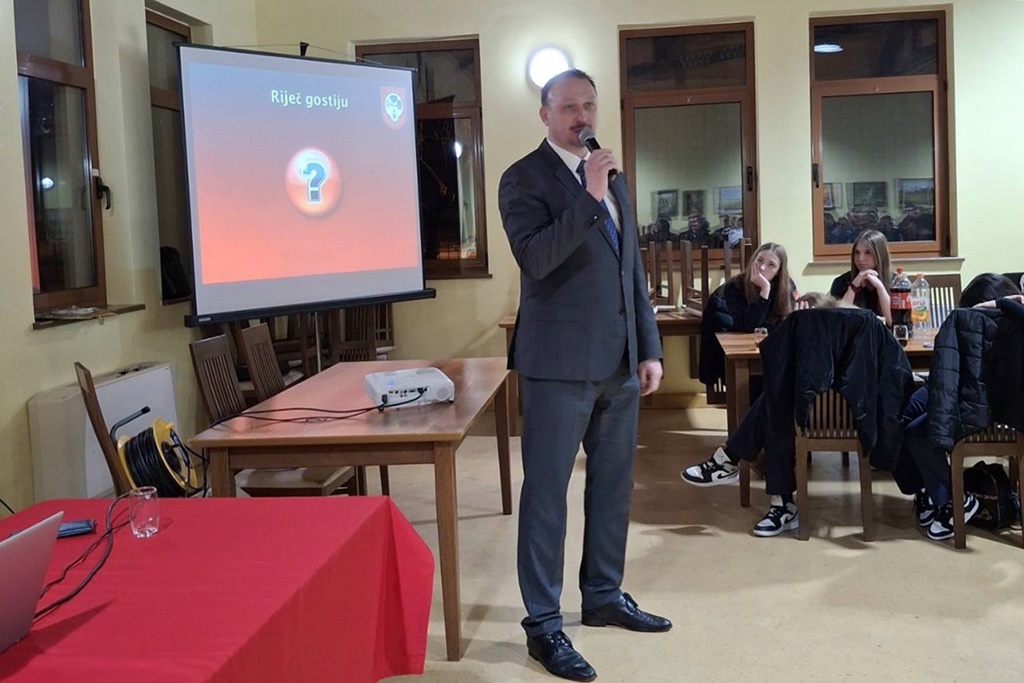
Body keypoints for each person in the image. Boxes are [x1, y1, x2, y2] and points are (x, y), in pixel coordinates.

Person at [498, 69, 670, 683]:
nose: (582, 116)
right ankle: (543, 624)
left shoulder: (613, 177)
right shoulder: (523, 178)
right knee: (547, 495)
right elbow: (537, 259)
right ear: (545, 115)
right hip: (556, 367)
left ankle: (601, 595)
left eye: (589, 105)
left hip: (619, 365)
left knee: (613, 487)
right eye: (568, 106)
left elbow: (632, 271)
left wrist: (648, 347)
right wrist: (589, 197)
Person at [683, 292, 841, 536]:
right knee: (775, 408)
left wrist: (801, 328)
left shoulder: (838, 344)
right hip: (804, 412)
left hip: (833, 417)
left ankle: (730, 461)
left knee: (775, 406)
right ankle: (778, 502)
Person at [895, 273, 1024, 541]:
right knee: (901, 414)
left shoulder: (1013, 324)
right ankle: (927, 489)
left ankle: (954, 499)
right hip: (960, 387)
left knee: (917, 433)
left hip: (987, 404)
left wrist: (1000, 305)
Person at [698, 243, 795, 391]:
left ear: (778, 272)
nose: (762, 267)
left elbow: (783, 325)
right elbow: (750, 327)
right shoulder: (733, 288)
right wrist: (764, 291)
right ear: (752, 261)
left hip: (772, 357)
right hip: (736, 360)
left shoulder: (786, 287)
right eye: (759, 260)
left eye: (771, 265)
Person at [829, 229, 893, 325]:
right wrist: (854, 286)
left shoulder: (896, 282)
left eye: (868, 252)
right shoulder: (841, 282)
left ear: (880, 255)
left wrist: (880, 287)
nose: (860, 258)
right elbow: (839, 320)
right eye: (857, 252)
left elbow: (892, 322)